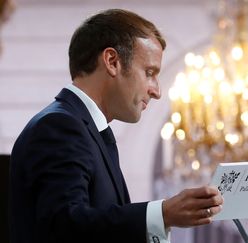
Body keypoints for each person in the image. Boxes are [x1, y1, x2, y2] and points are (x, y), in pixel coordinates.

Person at [9, 9, 223, 243]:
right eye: (149, 72)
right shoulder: (60, 126)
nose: (157, 91)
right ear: (112, 62)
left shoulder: (86, 129)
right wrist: (162, 214)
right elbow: (64, 225)